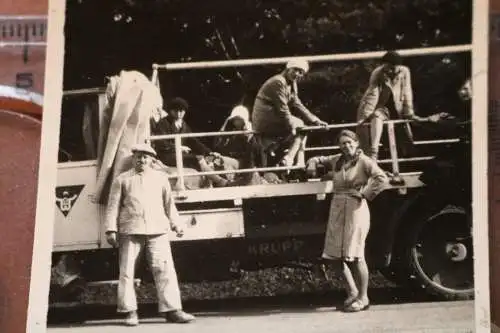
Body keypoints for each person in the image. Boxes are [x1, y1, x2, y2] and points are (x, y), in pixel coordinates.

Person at [104, 143, 195, 326]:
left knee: (164, 270)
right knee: (127, 272)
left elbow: (169, 205)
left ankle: (172, 310)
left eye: (145, 156)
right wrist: (110, 229)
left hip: (157, 230)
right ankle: (130, 312)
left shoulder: (161, 178)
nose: (141, 160)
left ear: (152, 159)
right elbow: (112, 206)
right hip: (131, 230)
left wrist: (177, 225)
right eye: (138, 156)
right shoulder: (122, 179)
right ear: (133, 158)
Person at [305, 130, 388, 312]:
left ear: (356, 143)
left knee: (356, 255)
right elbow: (320, 159)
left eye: (350, 142)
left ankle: (363, 297)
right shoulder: (338, 160)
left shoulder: (364, 161)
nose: (347, 146)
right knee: (334, 255)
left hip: (355, 209)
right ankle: (352, 292)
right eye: (343, 143)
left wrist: (365, 193)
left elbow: (382, 178)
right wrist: (312, 161)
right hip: (337, 208)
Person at [252, 59, 328, 167]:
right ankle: (293, 160)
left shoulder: (292, 83)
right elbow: (283, 108)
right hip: (265, 117)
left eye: (301, 72)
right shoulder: (278, 82)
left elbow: (297, 104)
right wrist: (292, 125)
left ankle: (292, 159)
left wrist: (315, 120)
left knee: (302, 128)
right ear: (288, 68)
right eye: (295, 70)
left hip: (274, 116)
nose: (297, 74)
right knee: (300, 126)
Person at [356, 51, 430, 160]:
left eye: (392, 67)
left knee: (405, 138)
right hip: (382, 106)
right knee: (376, 118)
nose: (389, 70)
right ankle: (374, 152)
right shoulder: (378, 73)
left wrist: (409, 112)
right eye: (387, 67)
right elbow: (373, 93)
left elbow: (407, 91)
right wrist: (366, 115)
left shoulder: (404, 71)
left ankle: (410, 158)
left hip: (398, 107)